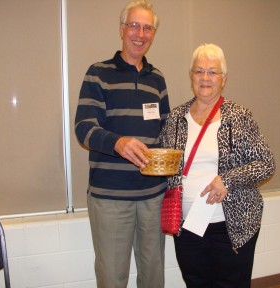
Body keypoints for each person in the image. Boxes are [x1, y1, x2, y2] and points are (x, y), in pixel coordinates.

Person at [160, 43, 275, 288]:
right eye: (199, 71)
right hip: (188, 224)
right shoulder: (175, 119)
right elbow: (166, 165)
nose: (205, 78)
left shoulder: (239, 116)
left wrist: (227, 180)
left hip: (231, 224)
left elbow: (266, 164)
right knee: (196, 282)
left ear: (224, 78)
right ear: (191, 76)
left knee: (231, 284)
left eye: (212, 72)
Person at [74, 1, 170, 287]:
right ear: (122, 29)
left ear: (153, 34)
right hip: (111, 198)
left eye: (147, 28)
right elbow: (84, 129)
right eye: (134, 25)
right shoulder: (98, 73)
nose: (140, 33)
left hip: (153, 194)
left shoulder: (158, 79)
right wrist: (117, 143)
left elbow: (165, 131)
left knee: (153, 275)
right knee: (113, 277)